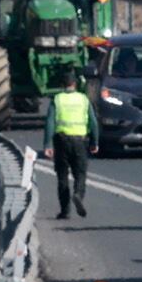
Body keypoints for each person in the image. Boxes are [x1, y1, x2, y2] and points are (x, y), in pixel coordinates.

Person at [49, 79, 94, 217]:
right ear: (75, 84)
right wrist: (95, 142)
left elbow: (50, 122)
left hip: (61, 141)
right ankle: (78, 194)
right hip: (80, 141)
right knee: (80, 173)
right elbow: (93, 122)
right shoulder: (83, 99)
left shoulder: (57, 99)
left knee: (62, 177)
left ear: (63, 86)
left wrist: (47, 144)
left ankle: (65, 211)